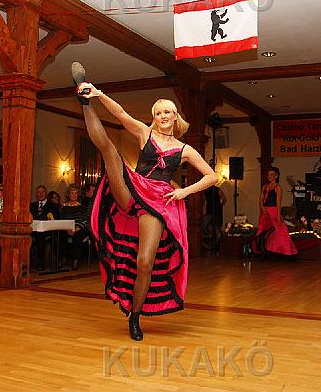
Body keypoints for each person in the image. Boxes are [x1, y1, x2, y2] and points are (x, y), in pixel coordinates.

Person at [76, 79, 217, 341]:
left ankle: (135, 316)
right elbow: (120, 114)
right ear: (154, 117)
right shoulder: (145, 133)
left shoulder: (185, 149)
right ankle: (85, 103)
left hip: (157, 203)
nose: (163, 116)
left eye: (167, 112)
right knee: (110, 151)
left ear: (175, 116)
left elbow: (212, 176)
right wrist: (98, 94)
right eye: (159, 112)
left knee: (144, 262)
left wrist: (184, 192)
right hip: (133, 189)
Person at [252, 167, 298, 256]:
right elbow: (261, 199)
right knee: (263, 230)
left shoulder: (278, 187)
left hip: (273, 211)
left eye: (272, 174)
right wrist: (262, 209)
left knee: (280, 231)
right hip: (265, 211)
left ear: (276, 176)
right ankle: (263, 249)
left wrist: (278, 215)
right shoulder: (265, 186)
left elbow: (278, 203)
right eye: (268, 174)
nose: (269, 176)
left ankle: (283, 251)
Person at [30, 185, 59, 271]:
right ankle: (26, 263)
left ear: (46, 193)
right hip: (33, 230)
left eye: (42, 192)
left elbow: (56, 218)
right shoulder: (32, 205)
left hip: (47, 231)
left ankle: (41, 263)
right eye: (38, 192)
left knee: (40, 236)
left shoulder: (53, 206)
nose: (40, 194)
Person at [59, 184, 86, 270]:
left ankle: (75, 260)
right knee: (60, 235)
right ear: (68, 194)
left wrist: (77, 228)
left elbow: (85, 220)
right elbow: (61, 219)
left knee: (78, 236)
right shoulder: (64, 207)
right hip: (66, 228)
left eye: (76, 193)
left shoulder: (82, 207)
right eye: (72, 193)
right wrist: (67, 229)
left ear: (78, 195)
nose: (74, 195)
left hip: (78, 228)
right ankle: (60, 259)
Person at [203, 159, 227, 251]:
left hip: (213, 208)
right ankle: (216, 243)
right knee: (212, 226)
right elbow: (224, 199)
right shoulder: (209, 190)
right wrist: (220, 205)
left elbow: (224, 199)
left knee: (214, 226)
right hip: (213, 208)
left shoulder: (213, 189)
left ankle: (217, 243)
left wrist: (220, 206)